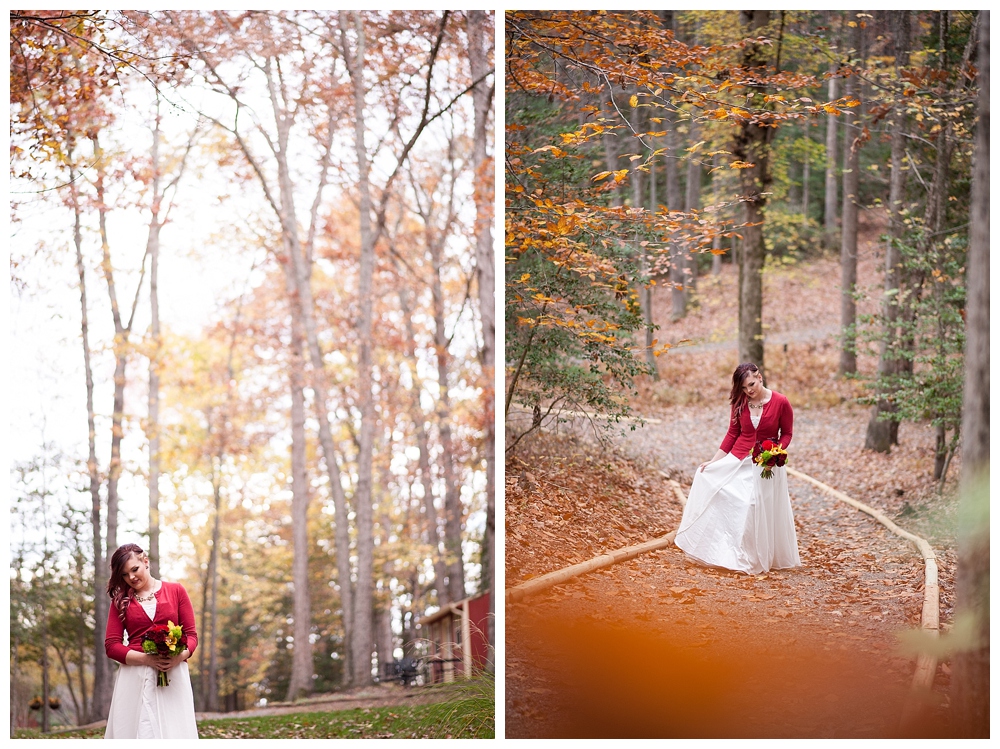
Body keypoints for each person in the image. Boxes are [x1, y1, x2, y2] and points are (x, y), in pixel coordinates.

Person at [674, 362, 801, 575]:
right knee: (711, 482)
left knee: (751, 504)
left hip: (765, 464)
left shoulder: (781, 402)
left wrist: (778, 450)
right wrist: (714, 461)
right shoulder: (740, 402)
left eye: (751, 384)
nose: (748, 390)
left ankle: (754, 555)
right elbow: (732, 433)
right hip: (738, 459)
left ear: (760, 377)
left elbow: (787, 433)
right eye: (743, 388)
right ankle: (723, 552)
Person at [104, 543, 199, 739]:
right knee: (138, 731)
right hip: (134, 675)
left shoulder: (176, 591)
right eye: (124, 574)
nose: (131, 577)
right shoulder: (120, 601)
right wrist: (147, 659)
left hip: (173, 674)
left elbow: (191, 636)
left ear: (145, 562)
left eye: (134, 569)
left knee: (174, 731)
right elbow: (111, 646)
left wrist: (178, 658)